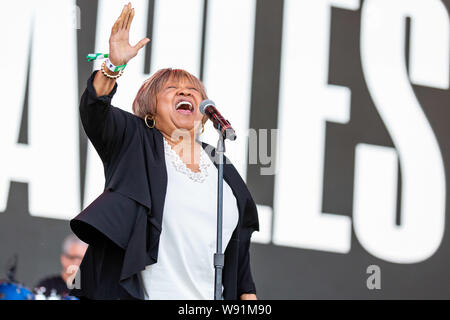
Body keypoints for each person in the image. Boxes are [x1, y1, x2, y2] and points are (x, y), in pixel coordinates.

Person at [70, 2, 259, 300]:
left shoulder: (221, 167)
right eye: (171, 89)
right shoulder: (137, 141)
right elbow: (96, 112)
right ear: (151, 111)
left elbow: (240, 262)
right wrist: (113, 66)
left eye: (193, 90)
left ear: (205, 112)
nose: (185, 92)